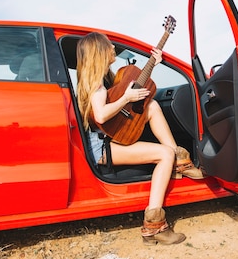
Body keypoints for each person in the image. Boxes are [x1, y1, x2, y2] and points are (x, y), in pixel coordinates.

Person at [76, 32, 204, 245]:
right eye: (109, 46)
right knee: (163, 154)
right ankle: (154, 226)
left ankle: (179, 159)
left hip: (106, 139)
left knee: (151, 105)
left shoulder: (97, 81)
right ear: (99, 53)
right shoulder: (97, 86)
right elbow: (100, 115)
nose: (113, 49)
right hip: (102, 148)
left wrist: (153, 63)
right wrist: (127, 97)